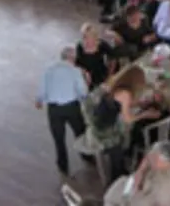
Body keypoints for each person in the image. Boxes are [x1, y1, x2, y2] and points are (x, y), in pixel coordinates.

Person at [81, 65, 158, 185]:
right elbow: (128, 119)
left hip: (99, 124)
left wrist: (138, 103)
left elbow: (120, 104)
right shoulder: (125, 93)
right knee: (120, 145)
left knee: (123, 140)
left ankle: (120, 170)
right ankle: (115, 180)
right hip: (105, 132)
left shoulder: (117, 86)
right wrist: (145, 114)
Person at [35, 47, 89, 175]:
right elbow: (83, 92)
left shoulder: (49, 70)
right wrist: (86, 85)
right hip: (71, 107)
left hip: (54, 109)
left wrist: (39, 100)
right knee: (80, 132)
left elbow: (42, 89)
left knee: (59, 139)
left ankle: (63, 165)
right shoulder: (75, 71)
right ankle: (85, 155)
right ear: (72, 58)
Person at [103, 141, 170, 206]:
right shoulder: (159, 160)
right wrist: (140, 172)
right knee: (112, 194)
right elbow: (148, 157)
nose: (151, 160)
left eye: (155, 160)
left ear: (168, 162)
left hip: (148, 199)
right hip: (140, 187)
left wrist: (138, 192)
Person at [76, 23, 114, 87]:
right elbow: (77, 64)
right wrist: (85, 73)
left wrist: (110, 74)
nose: (86, 41)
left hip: (99, 74)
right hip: (85, 75)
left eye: (89, 37)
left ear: (95, 37)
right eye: (84, 37)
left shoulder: (101, 44)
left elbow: (112, 57)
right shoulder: (80, 46)